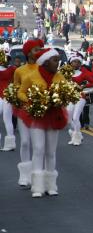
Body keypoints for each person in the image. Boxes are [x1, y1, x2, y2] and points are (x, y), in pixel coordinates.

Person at [17, 48, 68, 198]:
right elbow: (21, 92)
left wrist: (62, 99)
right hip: (37, 117)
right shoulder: (32, 76)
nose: (57, 64)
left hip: (54, 116)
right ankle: (37, 186)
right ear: (45, 62)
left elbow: (66, 93)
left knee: (51, 152)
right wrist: (33, 101)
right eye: (55, 60)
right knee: (38, 149)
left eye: (58, 60)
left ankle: (51, 185)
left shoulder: (60, 77)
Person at [13, 39, 44, 187]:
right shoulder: (19, 71)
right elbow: (15, 90)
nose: (38, 52)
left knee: (38, 146)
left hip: (40, 111)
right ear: (28, 52)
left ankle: (37, 174)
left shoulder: (44, 68)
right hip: (23, 110)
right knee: (25, 142)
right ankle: (24, 175)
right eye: (36, 49)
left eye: (40, 49)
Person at [66, 52, 93, 145]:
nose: (76, 64)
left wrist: (84, 85)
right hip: (70, 97)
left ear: (80, 64)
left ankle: (77, 139)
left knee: (76, 117)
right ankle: (78, 134)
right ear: (70, 63)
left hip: (81, 97)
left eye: (78, 62)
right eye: (74, 62)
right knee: (68, 119)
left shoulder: (83, 74)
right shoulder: (66, 74)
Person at [0, 51, 17, 151]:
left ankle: (9, 144)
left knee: (7, 120)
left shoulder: (12, 69)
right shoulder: (12, 69)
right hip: (8, 95)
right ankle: (10, 144)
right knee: (8, 120)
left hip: (5, 96)